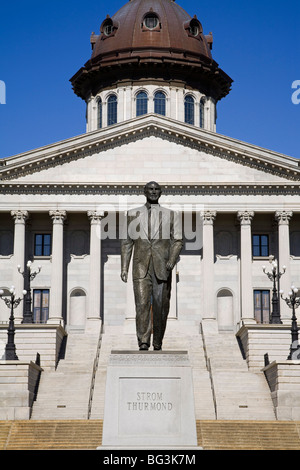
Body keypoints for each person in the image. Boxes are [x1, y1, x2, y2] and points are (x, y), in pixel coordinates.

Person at [120, 181, 183, 350]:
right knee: (141, 304)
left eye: (156, 189)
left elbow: (177, 240)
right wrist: (124, 267)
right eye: (150, 189)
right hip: (140, 265)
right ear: (144, 192)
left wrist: (172, 259)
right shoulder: (132, 214)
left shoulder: (171, 214)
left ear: (160, 193)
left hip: (163, 265)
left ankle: (158, 341)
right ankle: (143, 340)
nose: (153, 192)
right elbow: (127, 242)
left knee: (161, 305)